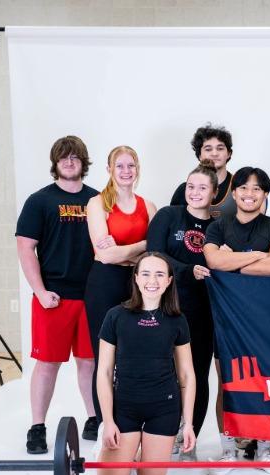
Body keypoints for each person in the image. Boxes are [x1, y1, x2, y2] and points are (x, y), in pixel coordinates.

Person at [203, 167, 270, 475]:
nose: (249, 194)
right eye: (243, 188)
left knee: (264, 381)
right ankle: (228, 451)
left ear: (265, 194)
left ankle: (265, 450)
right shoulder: (218, 227)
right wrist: (258, 255)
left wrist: (237, 259)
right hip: (225, 317)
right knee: (227, 383)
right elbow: (214, 261)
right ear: (235, 192)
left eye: (256, 189)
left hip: (264, 317)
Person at [15, 135, 98, 454]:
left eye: (75, 156)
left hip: (91, 296)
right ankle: (37, 426)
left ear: (83, 162)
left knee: (90, 362)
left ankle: (95, 418)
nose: (69, 161)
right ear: (55, 162)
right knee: (48, 363)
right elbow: (25, 248)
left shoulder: (97, 200)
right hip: (55, 298)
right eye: (63, 157)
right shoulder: (40, 201)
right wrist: (40, 291)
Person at [95, 252, 196, 475]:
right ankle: (125, 450)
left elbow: (187, 376)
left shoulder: (177, 320)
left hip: (163, 408)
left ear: (169, 281)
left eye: (160, 274)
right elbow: (105, 373)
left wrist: (189, 423)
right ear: (137, 278)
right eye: (147, 274)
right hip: (126, 407)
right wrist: (107, 421)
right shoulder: (115, 316)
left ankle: (140, 451)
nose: (153, 280)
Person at [147, 162, 217, 461]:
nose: (195, 192)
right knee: (165, 375)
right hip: (168, 309)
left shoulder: (218, 225)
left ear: (214, 193)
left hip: (204, 313)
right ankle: (161, 438)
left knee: (196, 376)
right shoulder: (168, 215)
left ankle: (189, 439)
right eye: (191, 186)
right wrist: (188, 271)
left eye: (202, 187)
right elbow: (154, 255)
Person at [84, 146, 156, 437]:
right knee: (106, 356)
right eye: (120, 166)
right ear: (109, 170)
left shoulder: (148, 206)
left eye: (131, 166)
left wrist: (126, 251)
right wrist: (141, 246)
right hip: (105, 282)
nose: (126, 171)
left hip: (138, 284)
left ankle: (131, 422)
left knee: (135, 355)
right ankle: (105, 425)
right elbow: (106, 257)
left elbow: (154, 250)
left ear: (138, 169)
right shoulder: (97, 203)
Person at [170, 124, 237, 219]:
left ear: (229, 153)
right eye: (208, 149)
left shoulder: (239, 188)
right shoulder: (184, 191)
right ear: (199, 155)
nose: (214, 153)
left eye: (220, 148)